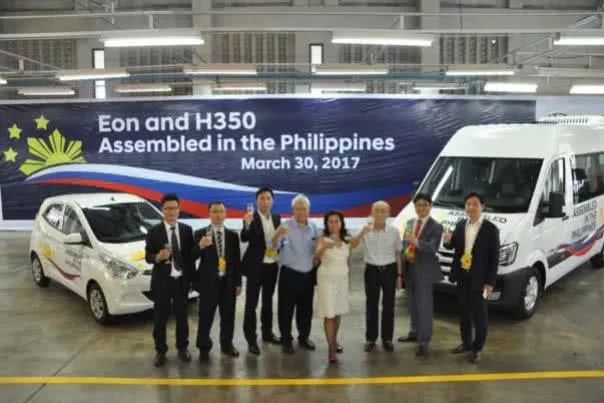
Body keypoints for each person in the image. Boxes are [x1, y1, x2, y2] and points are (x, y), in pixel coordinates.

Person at [443, 192, 500, 363]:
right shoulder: (460, 225)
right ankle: (466, 343)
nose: (471, 207)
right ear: (465, 207)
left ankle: (477, 348)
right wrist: (447, 241)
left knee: (479, 315)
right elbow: (454, 246)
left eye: (475, 204)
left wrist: (490, 282)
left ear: (482, 206)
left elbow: (494, 258)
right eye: (468, 204)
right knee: (464, 313)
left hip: (480, 279)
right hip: (462, 275)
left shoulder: (490, 229)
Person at [144, 193, 196, 368]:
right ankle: (160, 351)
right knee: (160, 318)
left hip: (181, 281)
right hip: (162, 283)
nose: (171, 211)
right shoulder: (154, 232)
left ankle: (183, 348)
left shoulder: (187, 230)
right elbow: (147, 257)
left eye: (174, 208)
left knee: (182, 317)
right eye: (167, 208)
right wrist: (157, 256)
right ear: (162, 210)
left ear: (179, 210)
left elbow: (191, 256)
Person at [193, 201, 242, 361]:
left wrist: (238, 283)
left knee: (228, 316)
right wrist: (200, 245)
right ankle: (203, 347)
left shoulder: (233, 236)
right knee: (206, 316)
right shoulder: (201, 233)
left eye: (221, 211)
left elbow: (236, 261)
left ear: (226, 214)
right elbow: (190, 256)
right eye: (215, 212)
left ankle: (227, 345)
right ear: (209, 214)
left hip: (228, 283)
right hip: (208, 284)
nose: (218, 215)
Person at [351, 200, 403, 353]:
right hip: (372, 270)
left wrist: (399, 275)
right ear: (372, 213)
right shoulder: (365, 229)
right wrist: (361, 233)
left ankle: (387, 339)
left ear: (388, 214)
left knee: (389, 305)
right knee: (371, 305)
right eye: (377, 210)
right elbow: (352, 245)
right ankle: (371, 338)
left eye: (383, 211)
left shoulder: (394, 231)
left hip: (390, 269)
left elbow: (397, 253)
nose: (380, 213)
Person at [398, 193, 443, 357]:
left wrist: (416, 242)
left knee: (424, 307)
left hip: (425, 271)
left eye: (425, 205)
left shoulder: (436, 227)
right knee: (412, 304)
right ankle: (414, 332)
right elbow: (404, 244)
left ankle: (424, 341)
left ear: (430, 206)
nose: (421, 208)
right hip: (410, 269)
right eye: (418, 205)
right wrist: (405, 253)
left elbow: (432, 248)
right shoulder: (410, 223)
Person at [273, 194, 318, 354]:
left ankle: (304, 337)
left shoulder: (314, 227)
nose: (301, 211)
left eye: (303, 208)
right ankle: (286, 340)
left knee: (306, 310)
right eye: (297, 208)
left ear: (308, 210)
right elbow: (273, 246)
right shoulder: (285, 226)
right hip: (289, 275)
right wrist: (277, 234)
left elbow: (316, 250)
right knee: (286, 310)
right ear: (293, 210)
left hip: (307, 276)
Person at [241, 187, 281, 355]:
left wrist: (282, 241)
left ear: (272, 201)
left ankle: (267, 333)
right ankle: (251, 340)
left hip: (272, 266)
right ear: (257, 201)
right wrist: (247, 224)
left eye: (268, 198)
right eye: (262, 198)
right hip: (255, 267)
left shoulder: (277, 218)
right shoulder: (251, 217)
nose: (265, 201)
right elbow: (244, 237)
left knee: (267, 302)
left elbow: (279, 241)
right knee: (251, 304)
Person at [314, 210, 351, 363]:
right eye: (331, 221)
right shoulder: (322, 239)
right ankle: (331, 348)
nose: (334, 224)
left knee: (337, 312)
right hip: (326, 280)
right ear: (326, 224)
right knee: (329, 314)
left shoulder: (347, 240)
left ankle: (334, 340)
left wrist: (348, 278)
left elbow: (348, 261)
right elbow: (315, 260)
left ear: (341, 224)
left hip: (341, 280)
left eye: (337, 221)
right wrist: (323, 247)